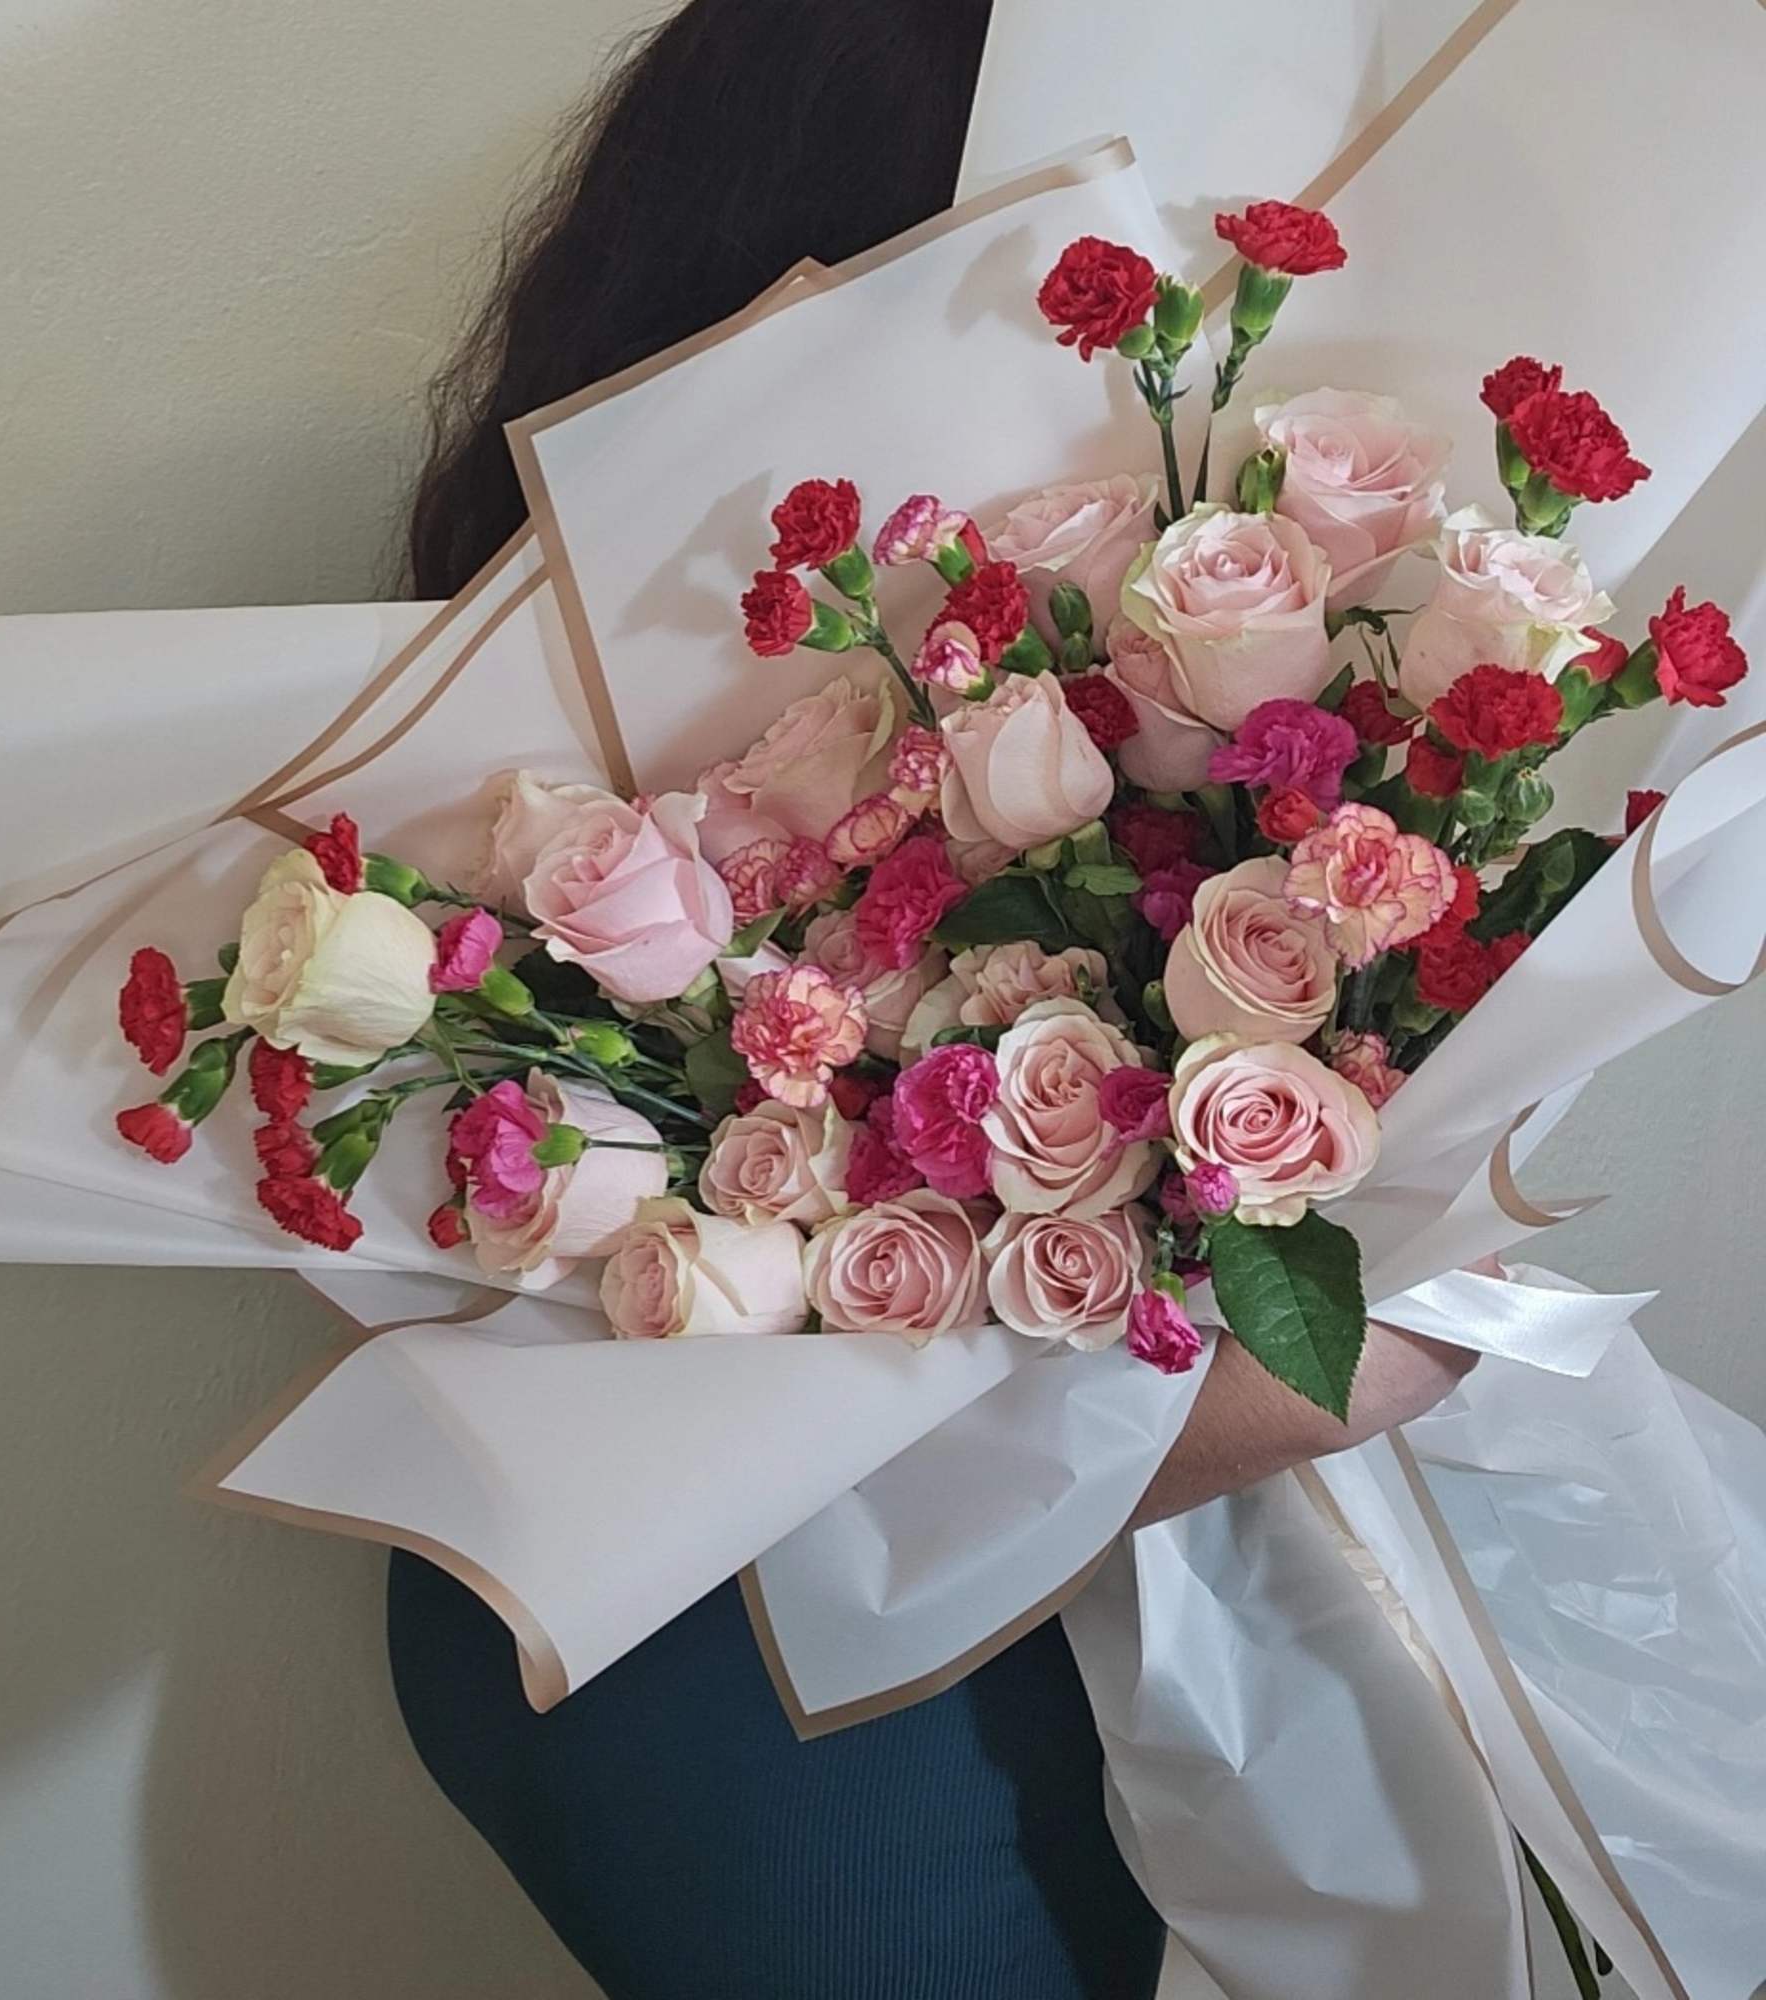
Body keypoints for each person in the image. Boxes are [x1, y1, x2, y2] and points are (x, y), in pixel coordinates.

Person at [389, 5, 1477, 1994]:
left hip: (569, 1595)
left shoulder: (552, 669)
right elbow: (962, 1430)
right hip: (823, 1678)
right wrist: (1387, 1337)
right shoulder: (811, 700)